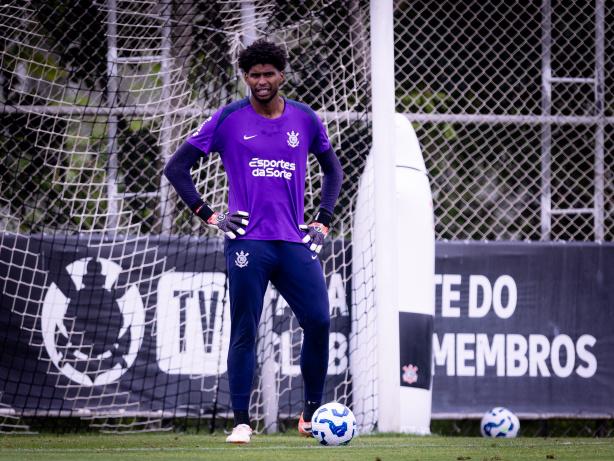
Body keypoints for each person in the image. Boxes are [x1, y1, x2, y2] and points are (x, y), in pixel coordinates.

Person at [163, 39, 343, 443]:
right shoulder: (228, 118)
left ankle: (311, 416)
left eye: (268, 74)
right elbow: (176, 168)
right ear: (245, 77)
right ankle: (242, 422)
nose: (261, 81)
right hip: (248, 243)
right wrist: (210, 215)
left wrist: (323, 220)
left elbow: (333, 171)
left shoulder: (305, 118)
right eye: (254, 75)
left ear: (282, 76)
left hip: (294, 241)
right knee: (245, 329)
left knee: (319, 320)